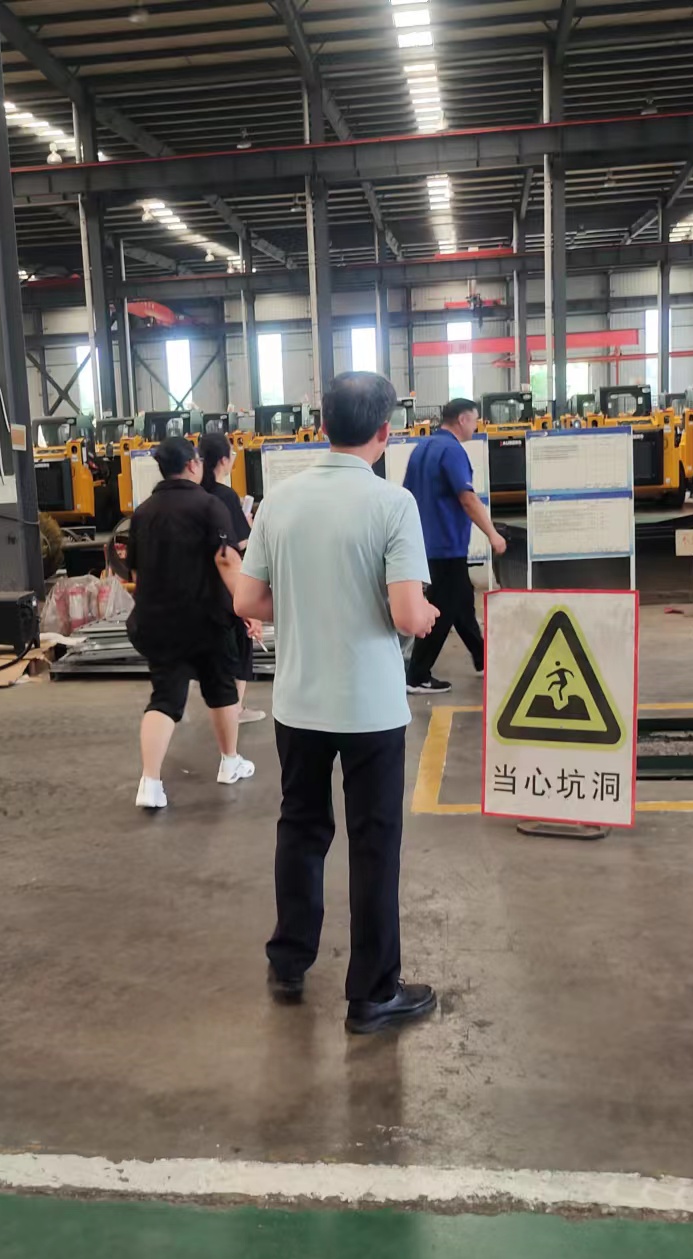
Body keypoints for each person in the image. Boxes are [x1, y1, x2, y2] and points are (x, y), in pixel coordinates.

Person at [235, 371, 442, 1035]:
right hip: (370, 709)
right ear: (386, 432)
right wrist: (427, 615)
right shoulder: (392, 504)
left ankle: (289, 959)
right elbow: (407, 613)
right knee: (373, 842)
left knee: (300, 826)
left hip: (299, 701)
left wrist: (306, 603)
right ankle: (373, 993)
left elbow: (247, 600)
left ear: (322, 426)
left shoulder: (280, 501)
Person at [125, 435, 254, 810]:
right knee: (222, 689)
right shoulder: (210, 505)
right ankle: (229, 762)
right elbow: (227, 560)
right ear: (193, 464)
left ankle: (149, 783)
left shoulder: (143, 512)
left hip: (158, 622)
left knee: (165, 698)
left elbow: (135, 572)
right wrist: (246, 608)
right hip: (206, 619)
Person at [402, 397, 507, 694]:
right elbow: (467, 498)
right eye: (474, 419)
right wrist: (493, 534)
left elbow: (406, 495)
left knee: (461, 602)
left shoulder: (422, 448)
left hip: (426, 544)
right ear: (462, 420)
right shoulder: (452, 451)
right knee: (442, 609)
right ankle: (417, 676)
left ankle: (482, 658)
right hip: (447, 545)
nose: (476, 425)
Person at [197, 430, 266, 726]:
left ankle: (224, 707)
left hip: (199, 582)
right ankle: (235, 708)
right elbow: (238, 545)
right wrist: (249, 524)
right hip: (226, 582)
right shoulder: (225, 496)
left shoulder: (195, 492)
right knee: (242, 641)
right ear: (224, 461)